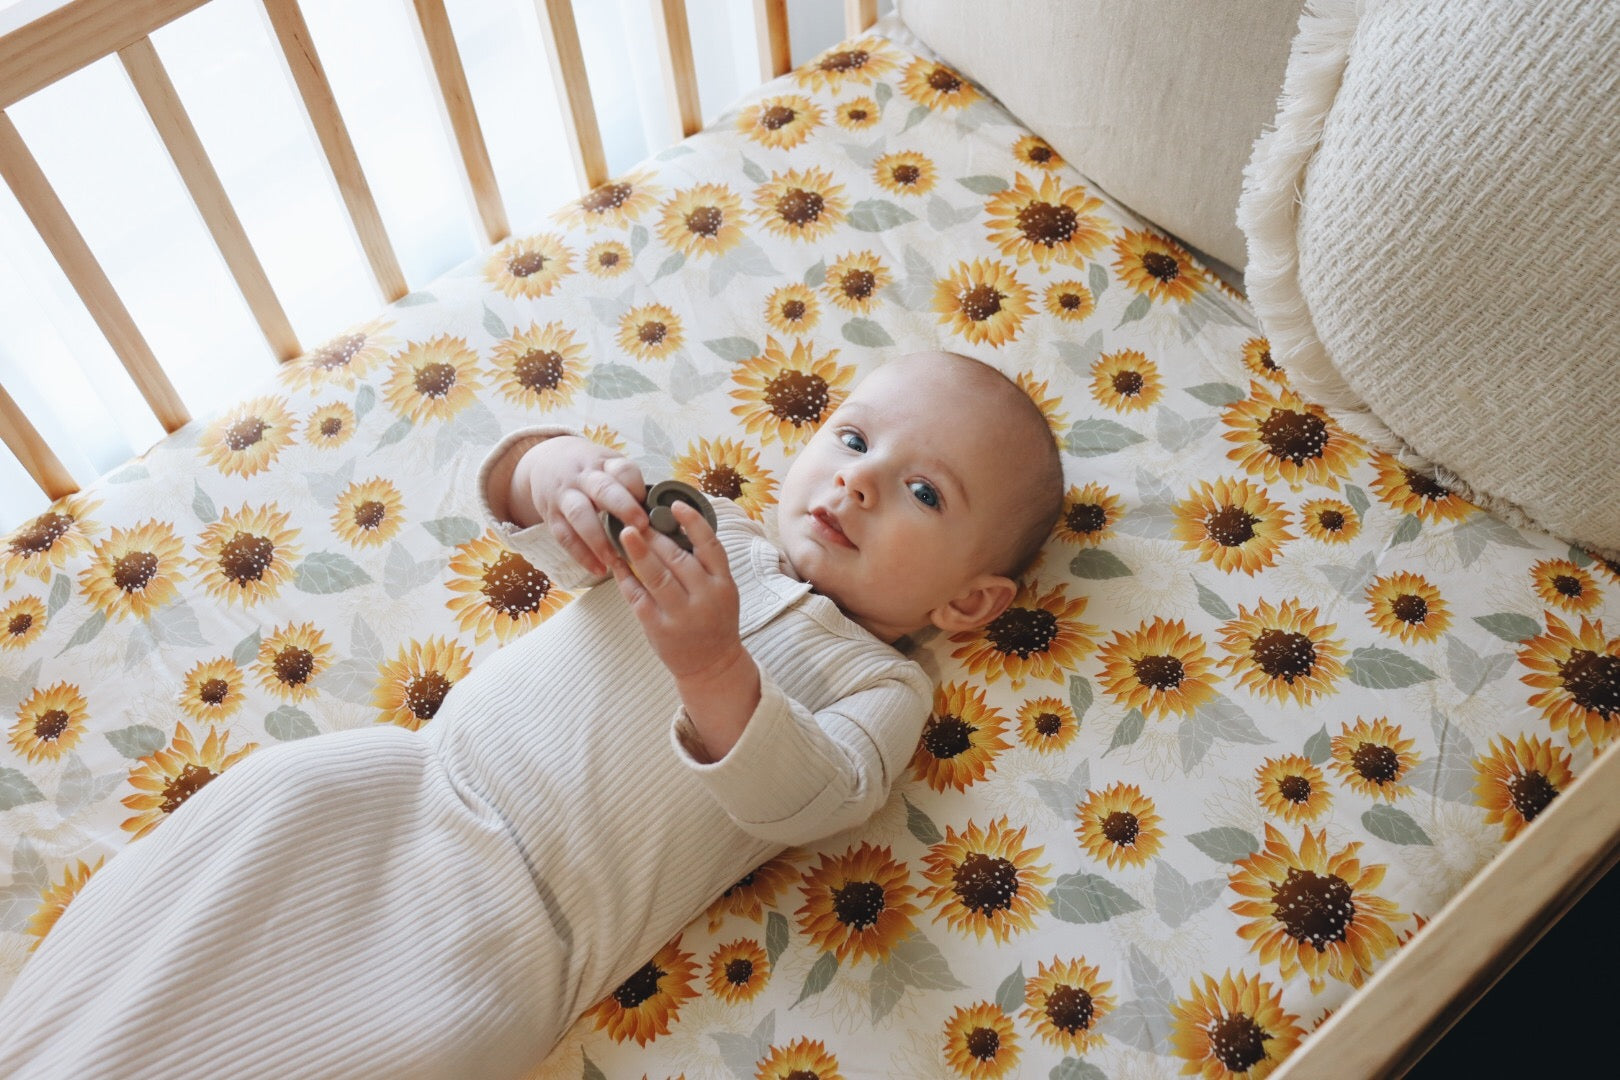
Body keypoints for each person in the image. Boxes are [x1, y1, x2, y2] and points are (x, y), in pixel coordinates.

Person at [0, 350, 1064, 1079]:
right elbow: (527, 519)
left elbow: (813, 794)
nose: (862, 482)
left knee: (428, 1043)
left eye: (925, 493)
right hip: (405, 788)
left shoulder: (886, 686)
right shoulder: (708, 530)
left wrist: (711, 664)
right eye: (852, 437)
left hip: (523, 933)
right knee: (214, 884)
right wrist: (556, 472)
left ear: (967, 604)